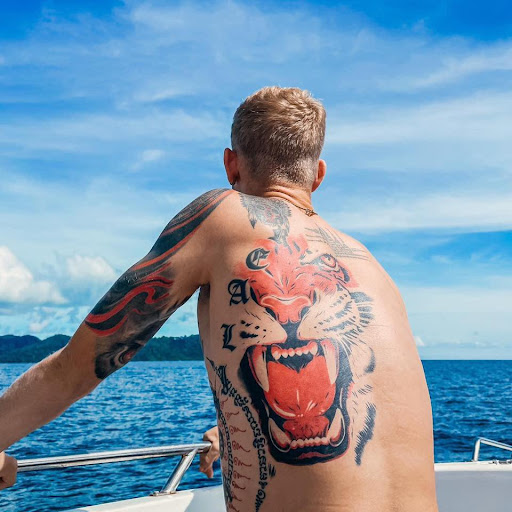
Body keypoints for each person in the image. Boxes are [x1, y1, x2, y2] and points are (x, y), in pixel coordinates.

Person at [0, 86, 438, 511]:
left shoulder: (220, 213)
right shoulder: (369, 264)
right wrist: (234, 429)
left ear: (230, 165)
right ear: (318, 175)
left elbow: (78, 366)